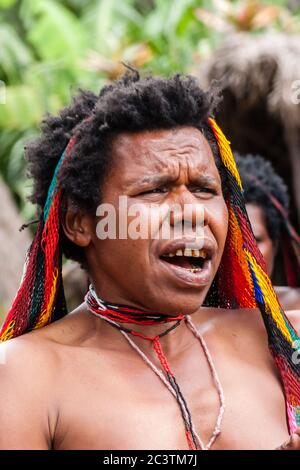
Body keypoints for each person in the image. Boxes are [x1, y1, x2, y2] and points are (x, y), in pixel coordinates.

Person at [0, 72, 299, 450]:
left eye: (205, 189)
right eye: (156, 190)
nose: (191, 212)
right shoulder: (24, 379)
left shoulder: (283, 342)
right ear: (80, 222)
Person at [235, 153, 300, 311]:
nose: (239, 252)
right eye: (228, 239)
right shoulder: (183, 321)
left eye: (253, 240)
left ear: (275, 246)